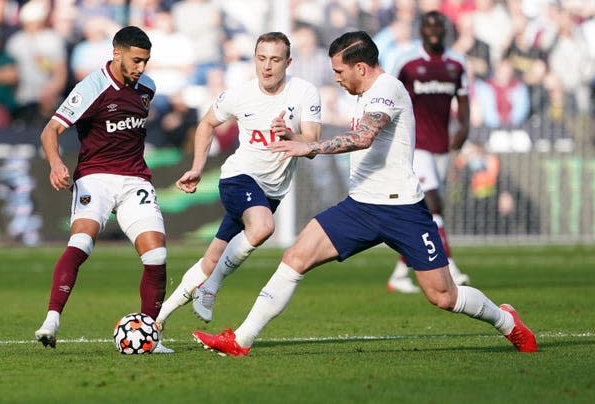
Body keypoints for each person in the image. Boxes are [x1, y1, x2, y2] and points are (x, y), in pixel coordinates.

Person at [192, 31, 537, 356]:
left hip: (402, 210)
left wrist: (309, 145)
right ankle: (241, 339)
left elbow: (363, 138)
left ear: (361, 67)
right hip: (359, 208)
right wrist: (301, 141)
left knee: (443, 296)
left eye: (339, 71)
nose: (337, 78)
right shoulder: (361, 94)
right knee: (295, 257)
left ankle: (507, 321)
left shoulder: (387, 89)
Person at [154, 31, 322, 330]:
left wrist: (290, 135)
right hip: (239, 178)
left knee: (212, 257)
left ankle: (158, 320)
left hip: (272, 190)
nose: (266, 67)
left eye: (274, 60)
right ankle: (210, 288)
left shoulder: (304, 92)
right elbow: (206, 124)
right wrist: (196, 166)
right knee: (263, 227)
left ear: (288, 62)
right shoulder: (239, 94)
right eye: (261, 59)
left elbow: (312, 144)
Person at [34, 26, 172, 354]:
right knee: (81, 242)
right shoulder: (92, 87)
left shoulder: (147, 88)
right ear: (117, 53)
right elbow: (50, 131)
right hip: (95, 177)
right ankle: (51, 320)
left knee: (157, 255)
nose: (141, 68)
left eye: (146, 61)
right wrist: (56, 164)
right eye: (136, 60)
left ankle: (150, 336)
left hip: (135, 180)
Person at [384, 10, 471, 293]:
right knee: (434, 204)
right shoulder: (406, 61)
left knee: (424, 209)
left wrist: (465, 126)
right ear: (421, 29)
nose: (433, 30)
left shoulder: (457, 63)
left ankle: (399, 272)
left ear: (444, 29)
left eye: (438, 26)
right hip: (413, 143)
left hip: (442, 145)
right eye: (428, 25)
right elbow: (388, 93)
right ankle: (450, 267)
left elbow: (463, 97)